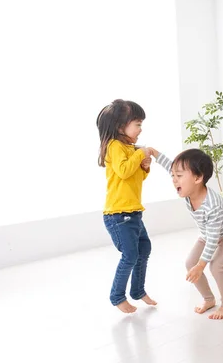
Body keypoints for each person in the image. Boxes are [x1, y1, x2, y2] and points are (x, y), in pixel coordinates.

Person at [150, 148, 223, 320]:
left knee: (216, 266)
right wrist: (153, 153)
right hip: (208, 233)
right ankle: (209, 299)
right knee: (190, 263)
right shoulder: (189, 190)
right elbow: (169, 166)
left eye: (178, 176)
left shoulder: (212, 205)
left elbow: (214, 239)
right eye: (173, 176)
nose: (174, 180)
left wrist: (202, 266)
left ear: (198, 178)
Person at [97, 100, 157, 314]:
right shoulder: (114, 146)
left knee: (144, 249)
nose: (140, 130)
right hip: (118, 215)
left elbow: (133, 177)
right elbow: (123, 171)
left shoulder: (129, 148)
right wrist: (141, 154)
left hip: (133, 212)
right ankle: (117, 296)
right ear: (120, 126)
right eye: (137, 124)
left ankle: (138, 290)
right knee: (130, 255)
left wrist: (144, 167)